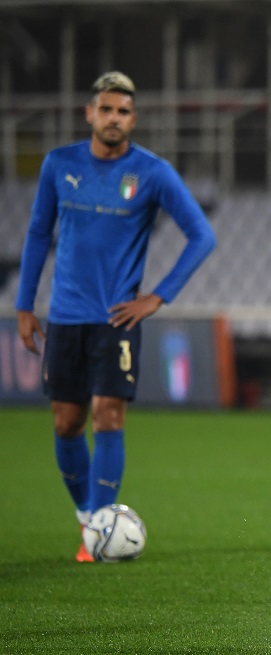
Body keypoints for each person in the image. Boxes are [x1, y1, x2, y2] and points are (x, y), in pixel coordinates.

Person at [15, 71, 217, 561]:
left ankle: (98, 537)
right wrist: (25, 304)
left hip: (116, 321)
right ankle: (92, 520)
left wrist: (158, 297)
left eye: (123, 112)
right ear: (90, 113)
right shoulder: (59, 165)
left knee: (108, 416)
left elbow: (202, 235)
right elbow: (39, 234)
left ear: (133, 119)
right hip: (64, 315)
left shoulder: (152, 172)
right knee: (66, 422)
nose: (114, 118)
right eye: (106, 109)